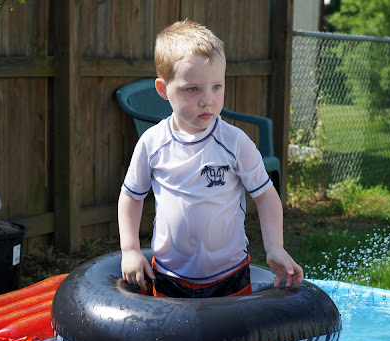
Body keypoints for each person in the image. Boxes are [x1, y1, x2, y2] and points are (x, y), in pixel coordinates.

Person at [118, 20, 303, 297]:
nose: (208, 100)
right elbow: (131, 196)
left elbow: (265, 195)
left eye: (217, 86)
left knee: (235, 328)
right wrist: (130, 249)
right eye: (193, 89)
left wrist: (275, 247)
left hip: (229, 276)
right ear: (163, 89)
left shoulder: (235, 142)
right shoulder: (152, 143)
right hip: (169, 276)